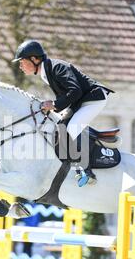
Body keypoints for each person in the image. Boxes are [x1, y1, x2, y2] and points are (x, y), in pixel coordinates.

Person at [12, 40, 114, 186]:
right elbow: (68, 95)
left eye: (22, 62)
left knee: (67, 129)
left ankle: (87, 172)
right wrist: (54, 106)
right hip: (81, 100)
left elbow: (75, 90)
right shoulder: (46, 72)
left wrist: (54, 104)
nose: (20, 66)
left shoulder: (56, 67)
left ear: (34, 59)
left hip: (94, 99)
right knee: (59, 126)